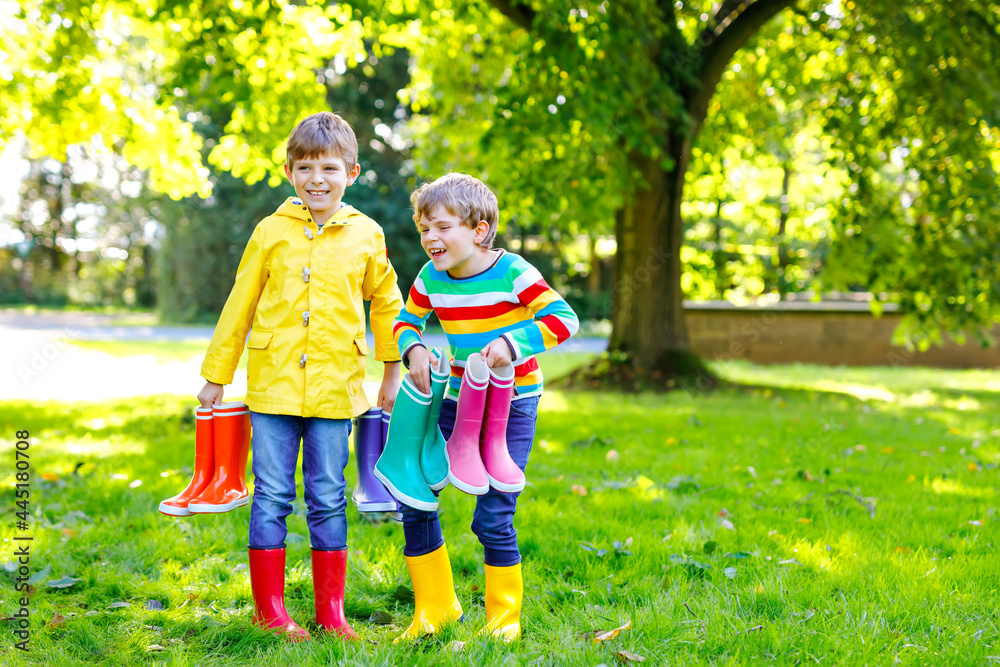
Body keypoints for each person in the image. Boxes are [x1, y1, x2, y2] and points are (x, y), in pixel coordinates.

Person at [196, 111, 403, 641]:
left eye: (329, 167)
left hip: (338, 388)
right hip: (273, 387)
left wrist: (392, 369)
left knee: (329, 493)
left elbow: (386, 304)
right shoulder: (270, 231)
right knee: (271, 495)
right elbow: (239, 304)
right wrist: (217, 375)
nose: (317, 178)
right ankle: (270, 610)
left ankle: (330, 613)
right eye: (305, 167)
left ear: (351, 173)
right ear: (290, 172)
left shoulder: (367, 234)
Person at [390, 173, 579, 642]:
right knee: (415, 496)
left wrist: (513, 344)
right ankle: (436, 608)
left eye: (441, 227)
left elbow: (564, 319)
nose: (430, 238)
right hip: (456, 399)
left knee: (493, 513)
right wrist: (412, 350)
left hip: (511, 405)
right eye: (423, 229)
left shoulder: (514, 271)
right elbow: (405, 322)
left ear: (478, 230)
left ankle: (503, 617)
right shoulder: (430, 277)